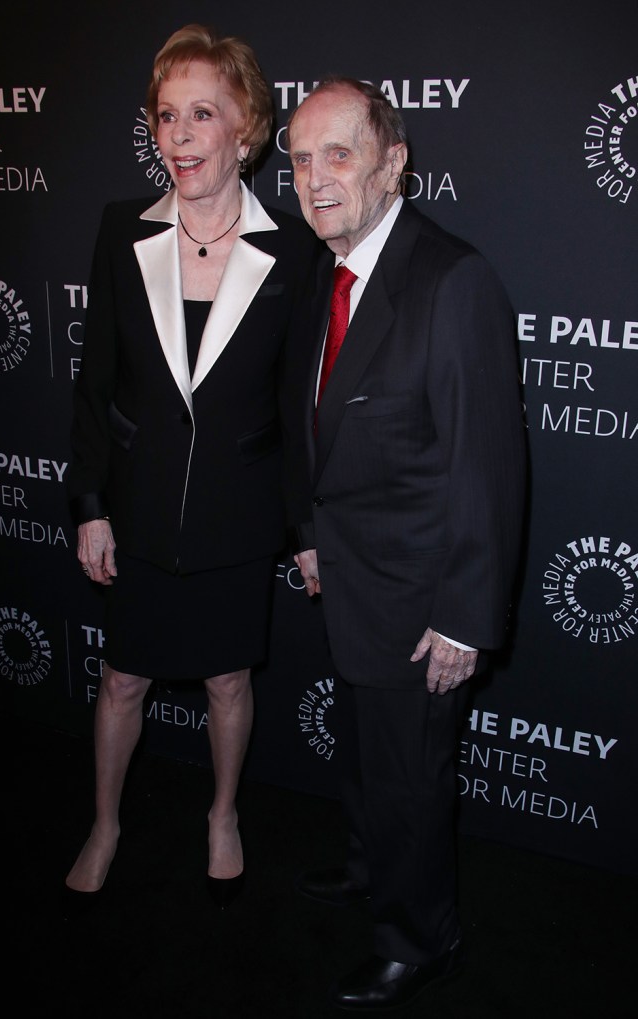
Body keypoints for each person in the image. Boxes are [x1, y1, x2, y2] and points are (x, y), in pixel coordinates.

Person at [64, 24, 318, 909]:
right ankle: (104, 822)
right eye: (167, 115)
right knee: (122, 676)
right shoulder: (119, 231)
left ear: (244, 127)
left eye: (201, 114)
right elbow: (94, 380)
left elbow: (297, 407)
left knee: (226, 678)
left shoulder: (293, 250)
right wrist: (90, 504)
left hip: (238, 514)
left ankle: (221, 813)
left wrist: (305, 527)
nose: (178, 135)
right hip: (134, 509)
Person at [285, 78, 526, 1009]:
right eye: (301, 160)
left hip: (422, 603)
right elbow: (315, 421)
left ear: (394, 164)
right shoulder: (329, 268)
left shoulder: (451, 280)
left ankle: (420, 936)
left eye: (338, 154)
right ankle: (369, 866)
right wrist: (307, 533)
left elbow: (487, 467)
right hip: (347, 581)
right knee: (363, 763)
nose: (314, 178)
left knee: (410, 782)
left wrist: (464, 617)